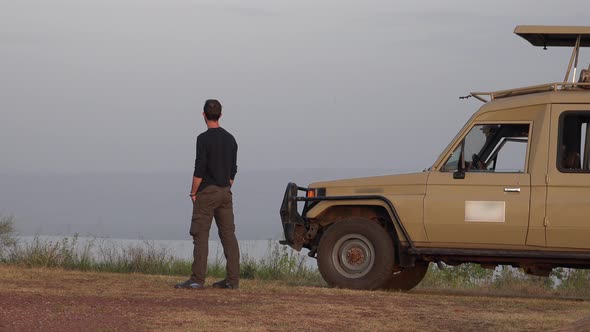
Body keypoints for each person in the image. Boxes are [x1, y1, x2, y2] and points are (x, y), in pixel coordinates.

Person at [175, 99, 240, 290]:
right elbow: (233, 171)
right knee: (228, 235)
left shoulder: (202, 139)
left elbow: (199, 168)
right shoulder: (231, 139)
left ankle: (197, 280)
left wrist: (194, 192)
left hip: (207, 192)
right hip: (225, 192)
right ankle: (232, 280)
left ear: (203, 115)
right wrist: (225, 185)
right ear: (220, 115)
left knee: (200, 235)